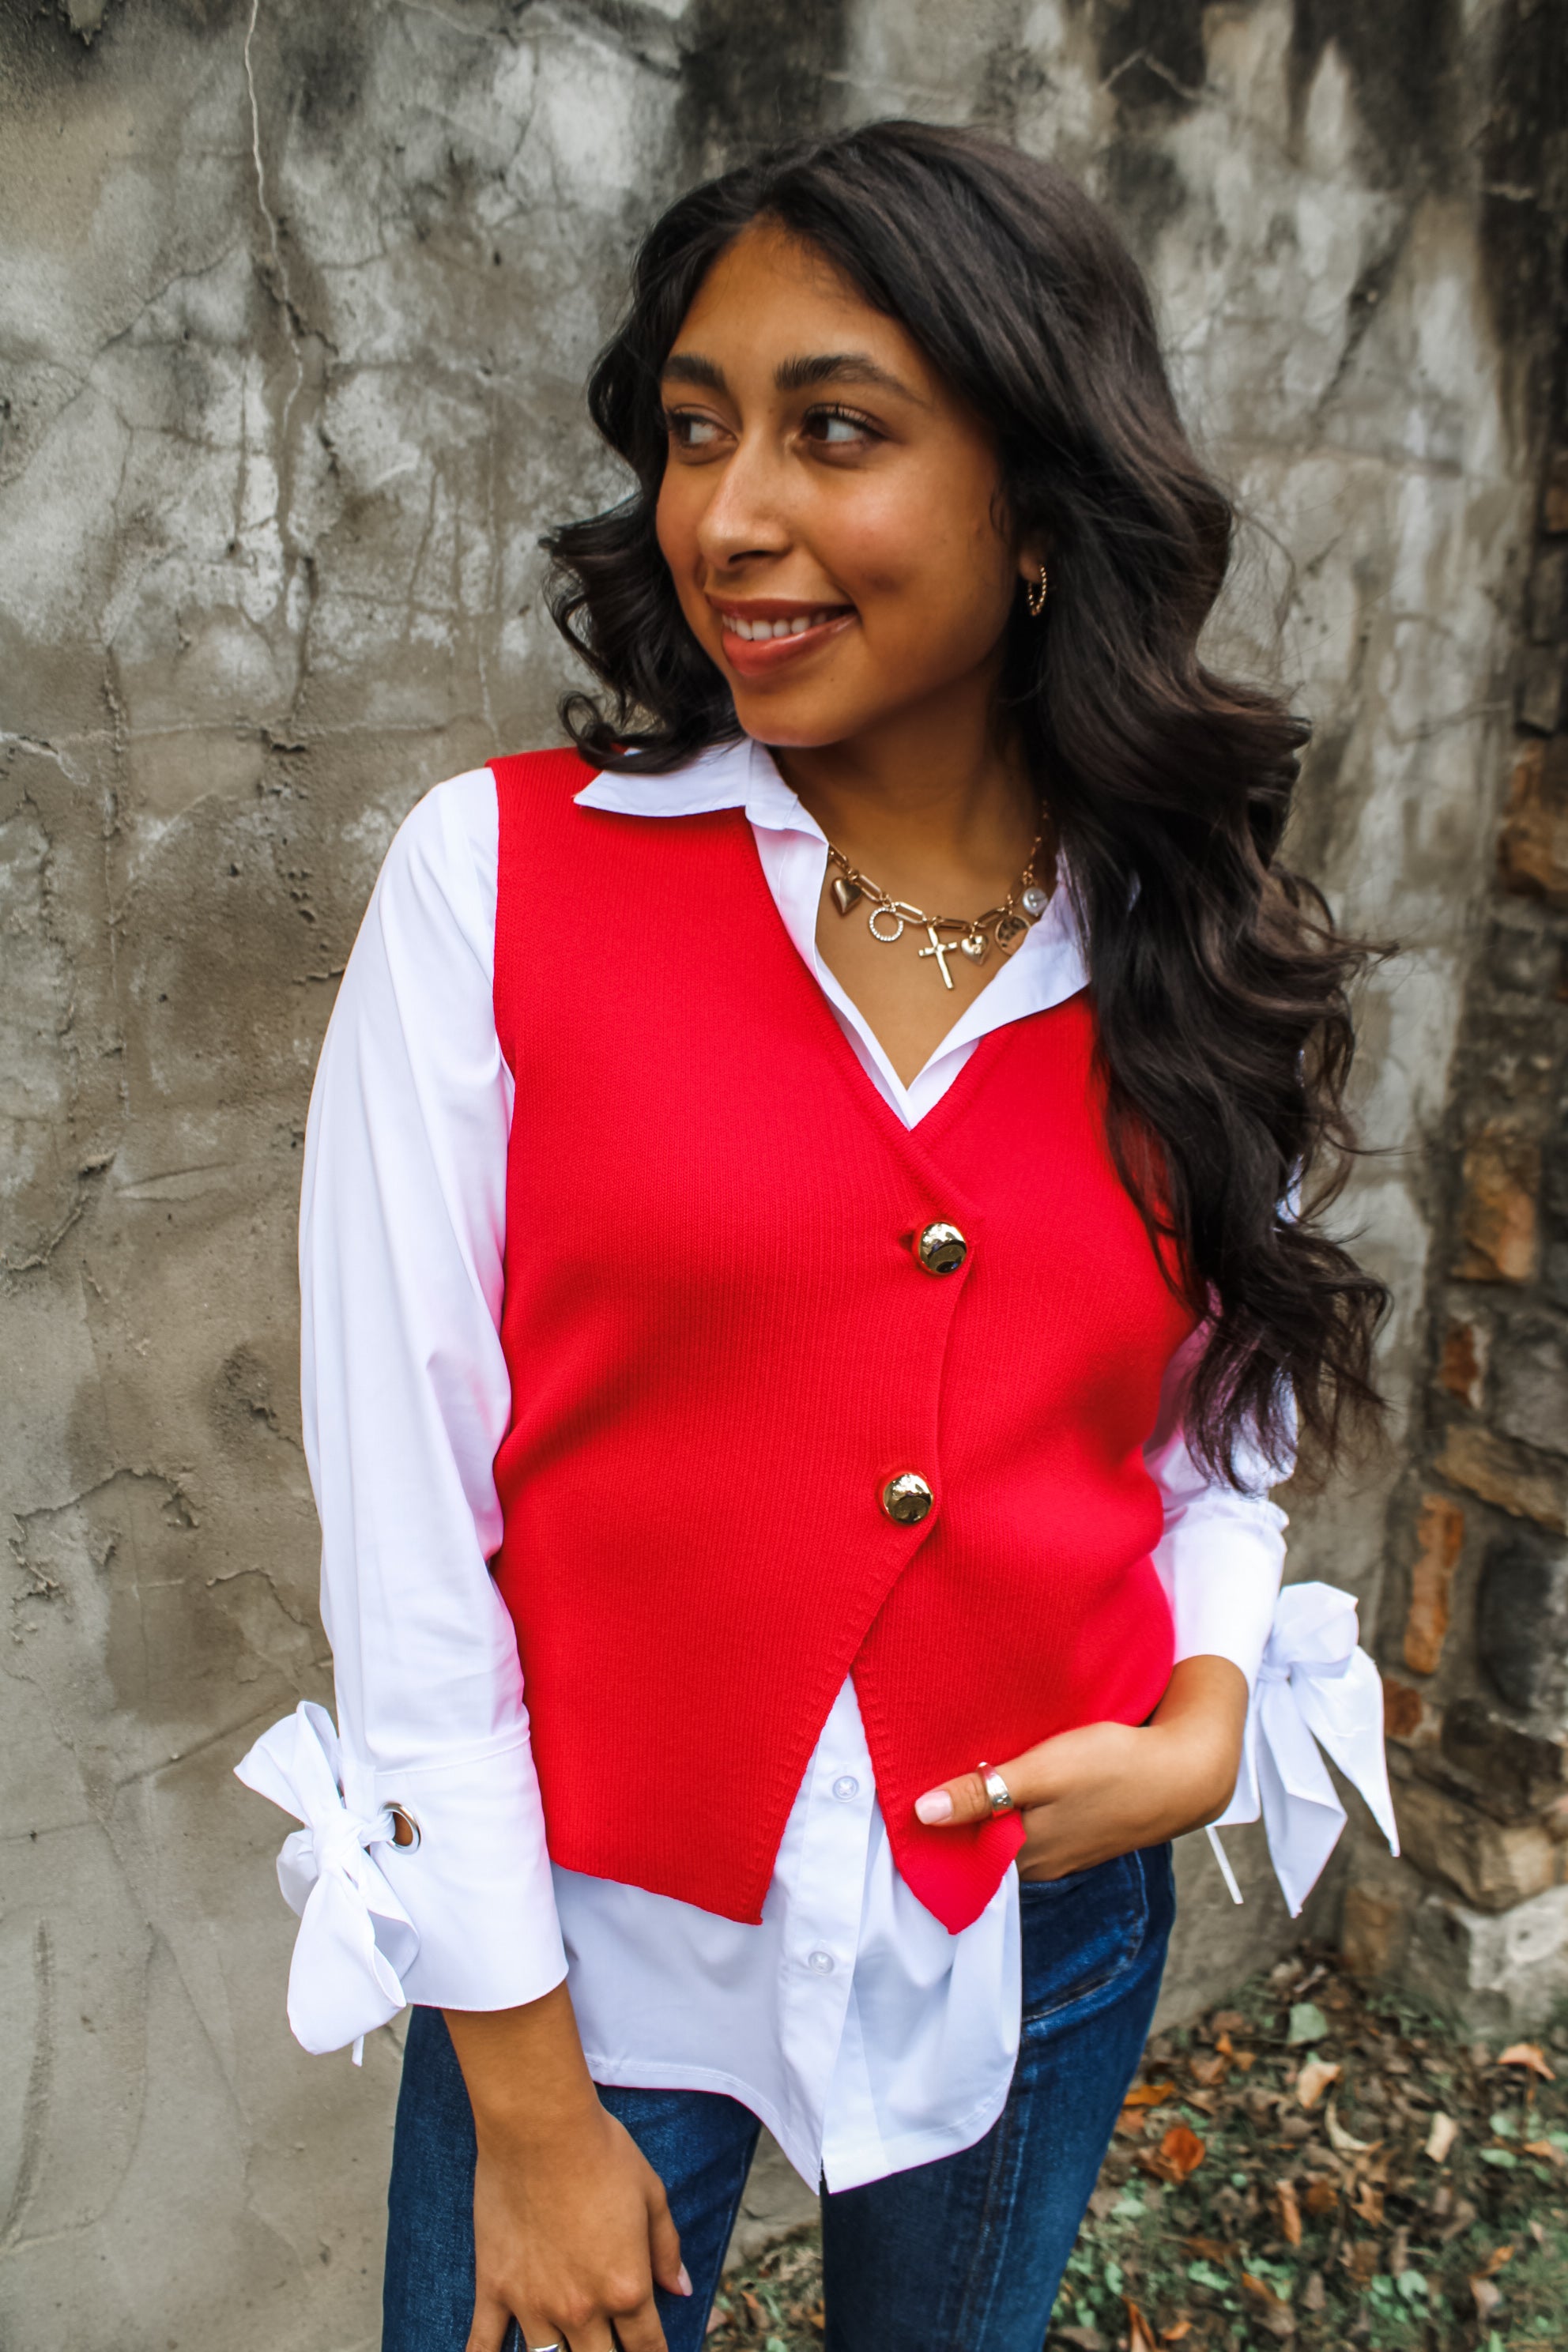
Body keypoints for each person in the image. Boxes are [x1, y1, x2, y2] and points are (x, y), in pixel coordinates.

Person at [237, 121, 1398, 2352]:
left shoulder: (1182, 943)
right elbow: (406, 1537)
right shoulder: (499, 884)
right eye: (697, 432)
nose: (730, 516)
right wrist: (527, 2110)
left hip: (1036, 1930)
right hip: (589, 1980)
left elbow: (1217, 1424)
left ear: (1042, 514)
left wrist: (1207, 1712)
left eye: (833, 432)